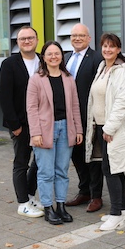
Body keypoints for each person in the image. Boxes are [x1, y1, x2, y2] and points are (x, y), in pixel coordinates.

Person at [85, 33, 125, 231]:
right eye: (105, 46)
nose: (108, 50)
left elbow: (122, 102)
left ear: (118, 49)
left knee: (111, 170)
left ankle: (116, 214)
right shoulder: (103, 68)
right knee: (113, 169)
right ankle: (124, 210)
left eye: (112, 46)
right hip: (101, 126)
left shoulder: (121, 72)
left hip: (113, 129)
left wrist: (109, 128)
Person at [26, 40, 84, 225]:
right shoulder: (36, 79)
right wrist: (35, 133)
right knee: (45, 172)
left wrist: (78, 130)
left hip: (66, 129)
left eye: (57, 53)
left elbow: (75, 106)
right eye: (49, 54)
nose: (53, 57)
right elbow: (31, 108)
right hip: (44, 131)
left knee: (62, 171)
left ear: (62, 56)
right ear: (43, 57)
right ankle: (47, 207)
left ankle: (61, 205)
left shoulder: (68, 78)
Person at [0, 26, 44, 218]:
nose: (27, 41)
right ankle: (23, 203)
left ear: (36, 39)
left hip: (42, 122)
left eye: (30, 37)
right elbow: (4, 97)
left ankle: (30, 195)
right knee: (21, 163)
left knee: (40, 162)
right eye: (23, 38)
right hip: (21, 124)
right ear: (17, 42)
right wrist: (14, 126)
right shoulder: (9, 64)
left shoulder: (43, 60)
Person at [64, 24, 104, 213]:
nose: (77, 38)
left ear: (89, 38)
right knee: (77, 156)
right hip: (69, 118)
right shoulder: (66, 58)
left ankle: (96, 196)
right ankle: (84, 191)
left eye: (81, 35)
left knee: (93, 158)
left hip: (90, 117)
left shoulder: (97, 58)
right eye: (74, 35)